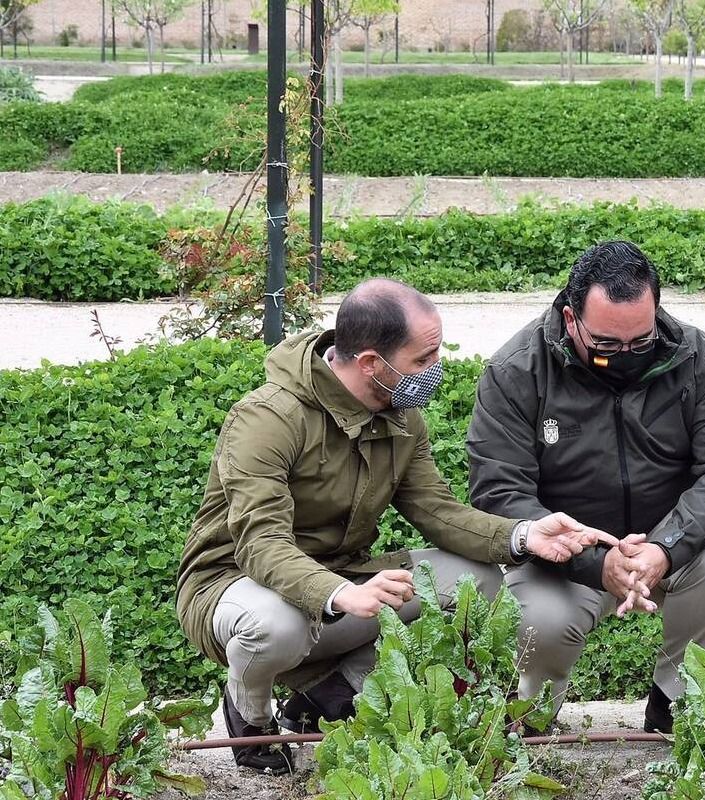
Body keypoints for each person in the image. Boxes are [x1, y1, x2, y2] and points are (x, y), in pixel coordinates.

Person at [176, 279, 615, 774]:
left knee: (483, 581)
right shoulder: (267, 418)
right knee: (278, 624)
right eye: (423, 359)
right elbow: (261, 545)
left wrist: (523, 536)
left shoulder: (402, 415)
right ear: (369, 363)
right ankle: (251, 719)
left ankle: (331, 692)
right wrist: (341, 592)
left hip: (341, 582)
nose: (436, 371)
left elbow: (438, 512)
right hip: (236, 586)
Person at [467, 241, 705, 734]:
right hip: (563, 550)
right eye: (605, 346)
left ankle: (675, 702)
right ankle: (534, 716)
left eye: (639, 343)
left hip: (667, 536)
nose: (623, 357)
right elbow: (498, 490)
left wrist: (666, 547)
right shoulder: (515, 371)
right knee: (544, 622)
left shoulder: (696, 355)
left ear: (656, 312)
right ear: (570, 317)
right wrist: (593, 560)